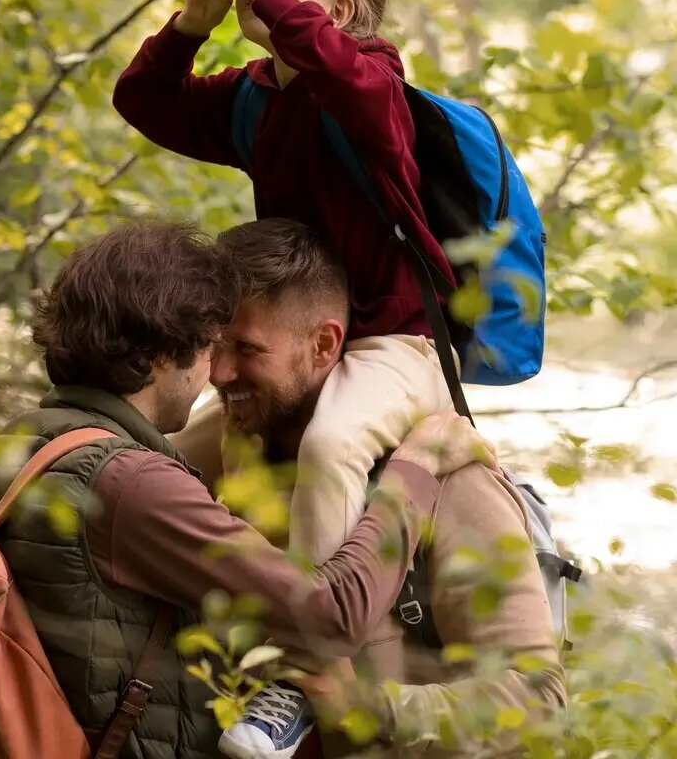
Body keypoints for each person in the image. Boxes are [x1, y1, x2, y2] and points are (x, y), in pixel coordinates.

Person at [114, 0, 463, 755]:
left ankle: (299, 679)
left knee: (333, 443)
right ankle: (186, 644)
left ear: (338, 10)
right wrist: (192, 22)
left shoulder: (372, 80)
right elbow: (143, 102)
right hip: (289, 346)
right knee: (169, 458)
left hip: (393, 344)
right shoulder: (254, 97)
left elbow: (354, 86)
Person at [0, 219, 491, 759]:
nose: (214, 374)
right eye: (210, 344)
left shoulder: (24, 445)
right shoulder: (130, 482)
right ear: (165, 351)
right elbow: (330, 619)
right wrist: (415, 471)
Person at [170, 219, 567, 759]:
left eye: (246, 348)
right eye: (214, 346)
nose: (219, 372)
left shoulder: (452, 481)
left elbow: (538, 700)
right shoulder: (228, 442)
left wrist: (370, 707)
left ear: (324, 343)